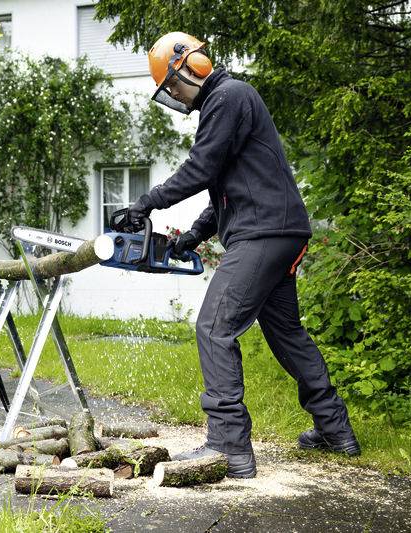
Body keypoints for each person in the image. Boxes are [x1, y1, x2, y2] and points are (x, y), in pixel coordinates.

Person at [127, 32, 360, 479]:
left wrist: (147, 202)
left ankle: (228, 447)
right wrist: (194, 235)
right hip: (280, 229)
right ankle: (335, 430)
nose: (174, 95)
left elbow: (202, 167)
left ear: (192, 65)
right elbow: (229, 188)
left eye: (173, 85)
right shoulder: (231, 101)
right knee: (287, 333)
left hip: (264, 232)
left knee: (214, 327)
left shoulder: (229, 96)